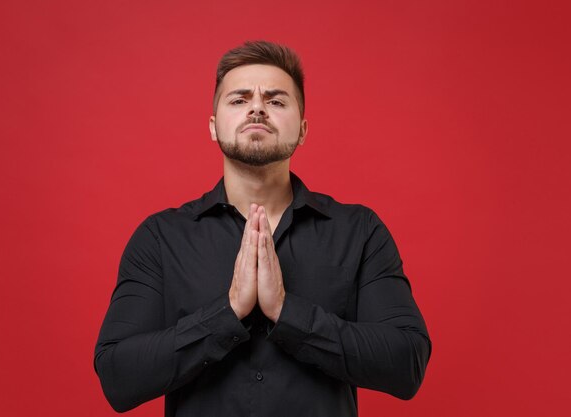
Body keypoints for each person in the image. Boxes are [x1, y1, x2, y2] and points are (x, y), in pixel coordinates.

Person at [93, 40, 431, 416]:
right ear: (213, 126)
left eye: (276, 100)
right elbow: (117, 377)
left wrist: (288, 314)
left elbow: (406, 364)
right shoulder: (160, 237)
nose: (257, 108)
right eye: (238, 100)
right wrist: (228, 312)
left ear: (302, 130)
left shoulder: (359, 231)